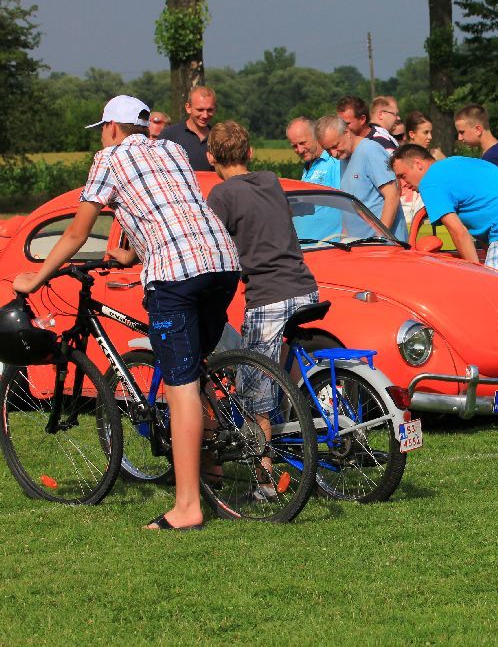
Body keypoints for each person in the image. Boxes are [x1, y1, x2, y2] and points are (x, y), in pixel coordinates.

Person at [13, 95, 241, 529]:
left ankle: (188, 507)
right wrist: (132, 253)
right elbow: (173, 208)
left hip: (175, 274)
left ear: (113, 128)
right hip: (222, 262)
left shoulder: (108, 158)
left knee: (181, 385)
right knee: (199, 366)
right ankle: (214, 460)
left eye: (103, 128)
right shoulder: (172, 149)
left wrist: (37, 277)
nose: (103, 135)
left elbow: (79, 232)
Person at [205, 120, 320, 502]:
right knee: (278, 374)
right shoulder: (270, 180)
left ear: (210, 158)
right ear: (250, 153)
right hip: (304, 287)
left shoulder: (221, 195)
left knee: (254, 393)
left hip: (268, 297)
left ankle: (265, 480)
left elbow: (211, 246)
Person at [390, 144, 498, 289]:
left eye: (402, 176)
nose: (403, 183)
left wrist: (476, 275)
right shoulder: (455, 163)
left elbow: (458, 232)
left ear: (418, 164)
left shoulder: (430, 181)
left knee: (495, 297)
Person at [315, 115, 406, 240]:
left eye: (335, 146)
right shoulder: (344, 158)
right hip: (359, 247)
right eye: (328, 150)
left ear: (346, 132)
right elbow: (350, 208)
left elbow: (392, 195)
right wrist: (344, 240)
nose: (334, 154)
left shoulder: (370, 151)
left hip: (383, 247)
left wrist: (380, 238)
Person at [158, 86, 217, 171]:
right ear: (188, 108)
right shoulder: (169, 136)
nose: (205, 115)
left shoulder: (219, 138)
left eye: (209, 110)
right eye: (200, 110)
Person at [454, 104, 498, 176]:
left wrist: (445, 164)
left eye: (462, 132)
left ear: (478, 130)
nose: (459, 138)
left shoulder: (494, 159)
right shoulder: (494, 154)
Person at [286, 117, 341, 189]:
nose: (300, 150)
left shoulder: (334, 162)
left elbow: (341, 197)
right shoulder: (309, 164)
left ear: (316, 136)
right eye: (294, 146)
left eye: (302, 143)